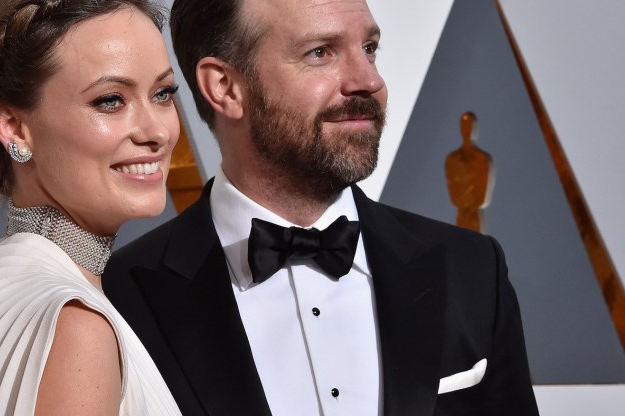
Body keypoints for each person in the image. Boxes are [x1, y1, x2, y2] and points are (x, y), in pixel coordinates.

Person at [102, 0, 540, 415]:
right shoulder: (119, 298)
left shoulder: (472, 269)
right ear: (225, 87)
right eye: (320, 53)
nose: (369, 80)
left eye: (369, 48)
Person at [0, 0, 183, 414]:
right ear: (14, 127)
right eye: (110, 100)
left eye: (163, 93)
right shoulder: (76, 325)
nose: (157, 131)